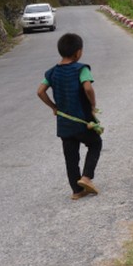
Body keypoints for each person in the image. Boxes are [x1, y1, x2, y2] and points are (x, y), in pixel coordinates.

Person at [36, 32, 103, 200]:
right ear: (78, 52)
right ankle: (86, 177)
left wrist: (54, 107)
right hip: (82, 121)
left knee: (70, 156)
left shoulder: (51, 73)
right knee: (95, 143)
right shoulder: (81, 69)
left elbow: (40, 91)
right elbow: (87, 88)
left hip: (64, 123)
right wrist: (93, 104)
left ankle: (76, 191)